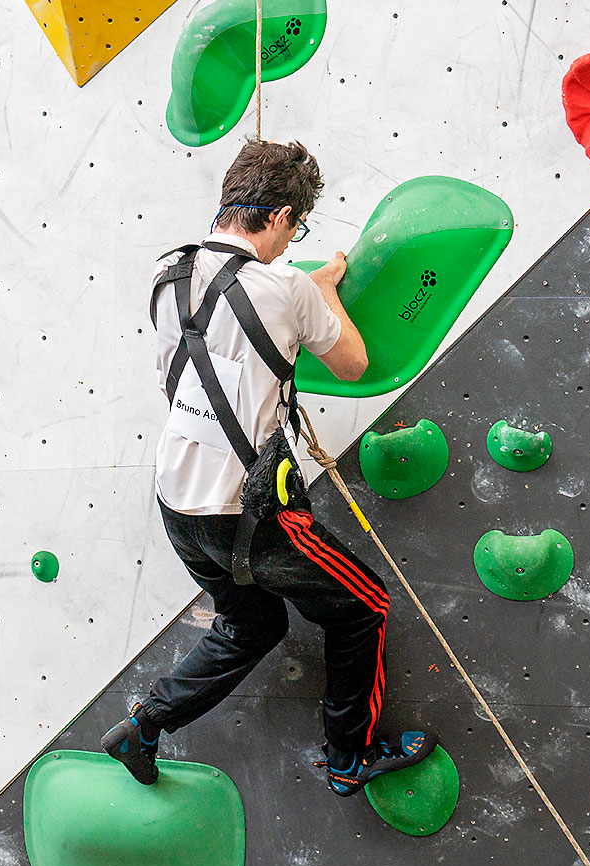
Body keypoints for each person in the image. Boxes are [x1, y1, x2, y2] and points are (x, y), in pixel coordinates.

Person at [102, 139, 436, 797]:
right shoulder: (285, 284)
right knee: (365, 605)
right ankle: (349, 758)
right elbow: (352, 365)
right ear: (282, 216)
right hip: (251, 511)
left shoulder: (168, 271)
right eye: (297, 228)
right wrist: (321, 291)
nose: (294, 241)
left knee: (252, 623)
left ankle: (146, 725)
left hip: (179, 502)